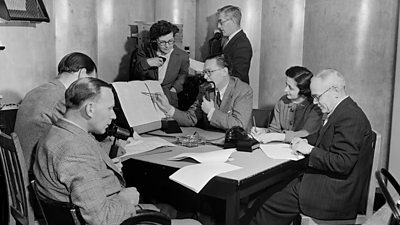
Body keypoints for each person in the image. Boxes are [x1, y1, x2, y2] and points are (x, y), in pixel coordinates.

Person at [33, 77, 200, 225]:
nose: (113, 116)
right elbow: (101, 219)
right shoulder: (75, 151)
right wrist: (125, 200)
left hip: (96, 205)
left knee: (166, 209)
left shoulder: (57, 133)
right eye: (109, 109)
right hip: (110, 215)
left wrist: (103, 168)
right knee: (193, 223)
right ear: (90, 109)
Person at [249, 69, 374, 225]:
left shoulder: (350, 117)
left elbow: (343, 163)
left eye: (317, 97)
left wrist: (309, 150)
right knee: (270, 192)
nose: (314, 102)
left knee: (269, 204)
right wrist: (302, 141)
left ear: (335, 91)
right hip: (326, 181)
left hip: (334, 193)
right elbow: (319, 138)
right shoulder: (341, 111)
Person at [14, 52, 97, 171]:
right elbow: (82, 142)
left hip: (21, 171)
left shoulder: (35, 91)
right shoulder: (62, 99)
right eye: (91, 81)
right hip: (36, 177)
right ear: (82, 74)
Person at [154, 54, 253, 131]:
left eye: (209, 72)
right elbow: (191, 118)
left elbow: (239, 125)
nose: (205, 77)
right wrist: (168, 108)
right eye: (204, 72)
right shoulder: (205, 89)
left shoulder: (243, 91)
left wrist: (211, 112)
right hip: (211, 142)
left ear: (224, 71)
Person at [251, 66, 322, 143]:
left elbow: (306, 134)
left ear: (303, 90)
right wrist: (263, 131)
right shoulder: (282, 101)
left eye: (290, 88)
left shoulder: (315, 107)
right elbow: (274, 130)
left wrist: (277, 136)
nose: (285, 90)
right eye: (286, 85)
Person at [131, 20, 189, 108]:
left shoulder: (182, 56)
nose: (167, 46)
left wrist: (174, 90)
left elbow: (183, 75)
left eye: (170, 41)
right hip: (146, 95)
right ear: (155, 41)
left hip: (169, 97)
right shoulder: (145, 49)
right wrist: (148, 62)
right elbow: (135, 73)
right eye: (162, 42)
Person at [209, 5, 253, 84]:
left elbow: (239, 78)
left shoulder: (242, 45)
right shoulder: (230, 39)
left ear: (233, 21)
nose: (218, 26)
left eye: (221, 22)